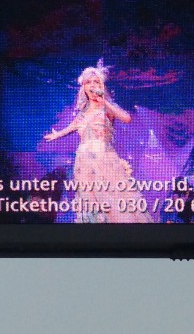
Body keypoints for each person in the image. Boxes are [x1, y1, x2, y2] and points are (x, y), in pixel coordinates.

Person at [44, 61, 152, 223]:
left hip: (104, 160)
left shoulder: (107, 107)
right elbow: (72, 126)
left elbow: (126, 118)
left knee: (112, 199)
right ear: (84, 87)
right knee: (90, 202)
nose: (92, 85)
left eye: (96, 82)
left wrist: (105, 102)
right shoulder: (83, 112)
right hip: (84, 162)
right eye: (89, 82)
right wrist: (57, 135)